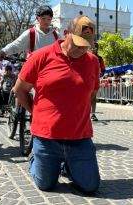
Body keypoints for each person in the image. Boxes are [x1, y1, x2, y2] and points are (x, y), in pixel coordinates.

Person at [14, 16, 100, 193]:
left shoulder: (93, 62)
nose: (82, 49)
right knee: (45, 184)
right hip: (47, 138)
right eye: (77, 43)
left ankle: (69, 165)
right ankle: (35, 158)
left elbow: (92, 93)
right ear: (66, 34)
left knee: (90, 186)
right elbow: (20, 90)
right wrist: (36, 112)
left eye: (86, 45)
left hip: (79, 138)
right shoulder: (41, 56)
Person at [90, 42, 105, 121]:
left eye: (96, 48)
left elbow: (103, 69)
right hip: (87, 79)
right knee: (87, 97)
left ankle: (93, 114)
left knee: (94, 97)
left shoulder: (99, 58)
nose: (94, 49)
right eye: (92, 47)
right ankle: (85, 114)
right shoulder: (85, 57)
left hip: (95, 79)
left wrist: (100, 75)